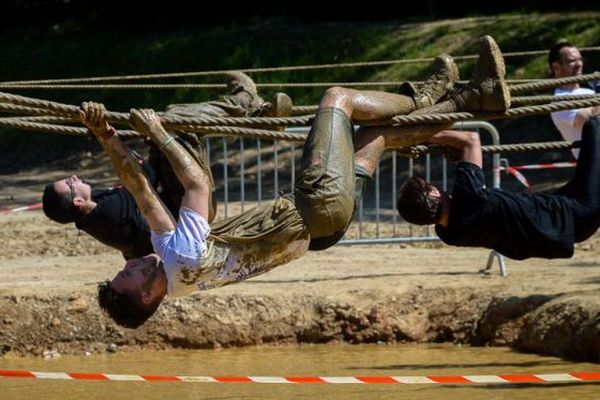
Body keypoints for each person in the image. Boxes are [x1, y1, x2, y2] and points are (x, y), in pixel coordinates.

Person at [88, 35, 510, 329]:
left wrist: (107, 136)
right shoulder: (181, 259)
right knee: (336, 99)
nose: (128, 263)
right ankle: (424, 97)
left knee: (374, 137)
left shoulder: (175, 279)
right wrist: (159, 133)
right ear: (146, 296)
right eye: (127, 276)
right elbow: (197, 184)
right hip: (316, 203)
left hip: (324, 226)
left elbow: (143, 193)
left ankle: (470, 100)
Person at [42, 72, 291, 260]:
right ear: (77, 202)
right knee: (174, 121)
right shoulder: (108, 213)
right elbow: (141, 182)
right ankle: (246, 103)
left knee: (165, 121)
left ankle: (259, 117)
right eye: (69, 183)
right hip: (191, 205)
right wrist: (104, 132)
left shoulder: (95, 209)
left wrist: (153, 145)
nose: (74, 177)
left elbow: (147, 181)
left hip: (177, 200)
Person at [397, 114, 600, 261]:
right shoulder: (467, 198)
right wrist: (420, 134)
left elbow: (467, 195)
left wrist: (460, 160)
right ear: (433, 193)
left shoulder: (450, 234)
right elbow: (471, 140)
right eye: (431, 185)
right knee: (593, 124)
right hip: (577, 211)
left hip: (564, 222)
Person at [548, 42, 600, 158]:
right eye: (572, 61)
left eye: (580, 59)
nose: (579, 64)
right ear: (556, 67)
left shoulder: (590, 92)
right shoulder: (559, 101)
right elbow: (591, 121)